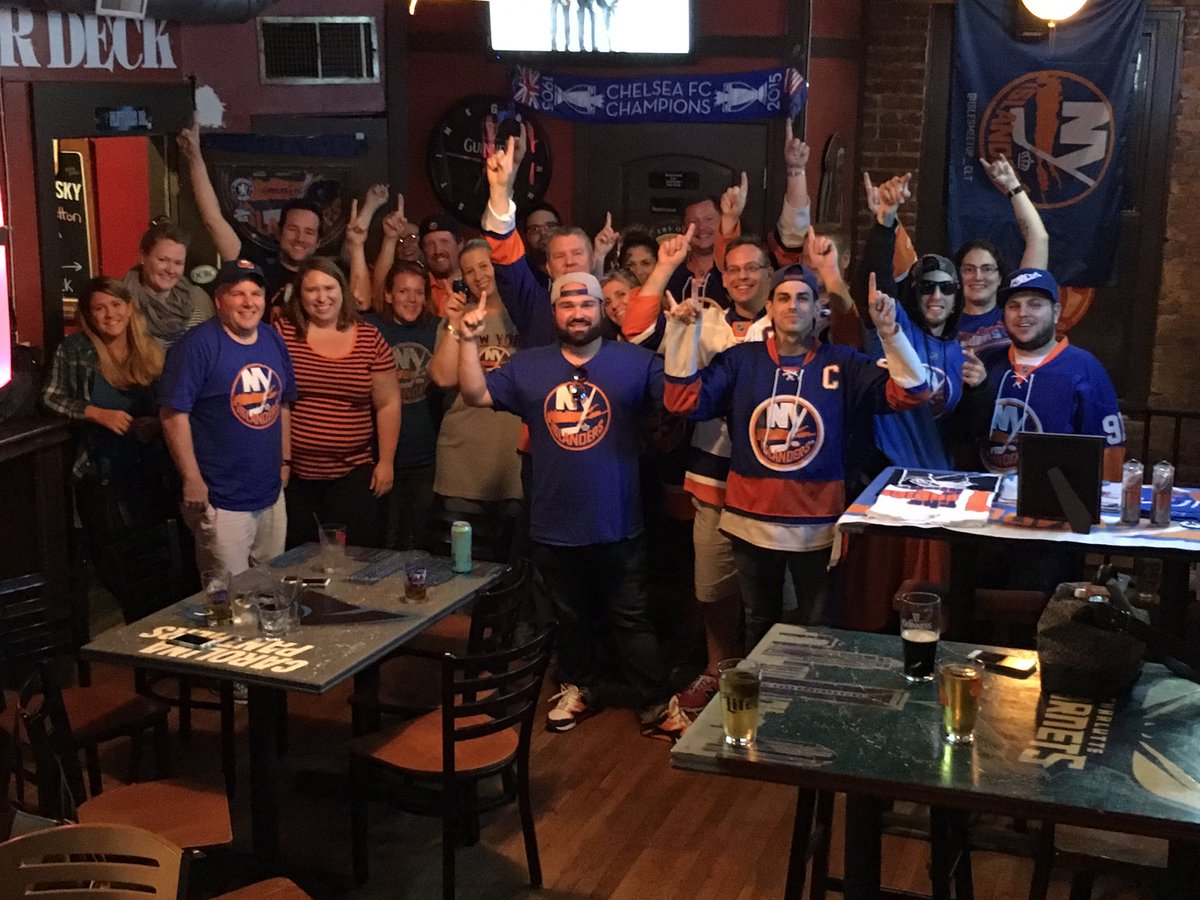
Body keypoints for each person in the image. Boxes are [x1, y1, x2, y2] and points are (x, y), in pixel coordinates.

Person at [663, 267, 931, 651]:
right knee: (760, 623)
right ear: (769, 307)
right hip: (749, 521)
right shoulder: (740, 360)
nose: (793, 306)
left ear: (818, 308)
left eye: (802, 298)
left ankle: (814, 706)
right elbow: (681, 401)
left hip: (819, 526)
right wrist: (680, 335)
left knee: (821, 629)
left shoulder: (842, 362)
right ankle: (765, 707)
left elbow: (913, 393)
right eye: (784, 298)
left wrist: (891, 333)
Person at [457, 271, 671, 734]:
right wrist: (467, 340)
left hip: (620, 522)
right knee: (568, 622)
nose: (578, 312)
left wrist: (688, 334)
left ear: (601, 309)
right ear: (554, 313)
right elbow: (475, 394)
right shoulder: (529, 366)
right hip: (553, 523)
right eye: (567, 305)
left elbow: (681, 400)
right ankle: (579, 687)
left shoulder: (636, 362)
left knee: (631, 620)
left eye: (587, 303)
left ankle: (656, 702)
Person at [158, 260, 296, 576]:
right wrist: (191, 478)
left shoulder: (272, 338)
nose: (249, 302)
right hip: (222, 498)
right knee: (227, 600)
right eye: (238, 294)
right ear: (219, 300)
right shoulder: (195, 346)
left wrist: (285, 462)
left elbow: (282, 404)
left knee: (269, 587)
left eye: (255, 293)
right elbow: (172, 415)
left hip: (270, 493)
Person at [275, 257, 400, 549]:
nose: (321, 297)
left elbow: (388, 403)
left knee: (355, 558)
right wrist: (281, 462)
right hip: (295, 474)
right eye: (311, 290)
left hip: (352, 472)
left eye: (329, 288)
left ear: (342, 290)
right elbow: (275, 402)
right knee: (299, 559)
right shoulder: (283, 334)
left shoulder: (369, 336)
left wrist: (386, 462)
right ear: (299, 294)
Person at [44, 276, 171, 549]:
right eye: (99, 308)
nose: (110, 314)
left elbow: (171, 402)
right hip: (99, 471)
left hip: (151, 468)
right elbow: (51, 397)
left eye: (116, 304)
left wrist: (156, 423)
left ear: (130, 307)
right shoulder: (75, 349)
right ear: (89, 315)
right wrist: (95, 413)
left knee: (156, 552)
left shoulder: (150, 347)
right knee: (115, 555)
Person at [970, 268, 1125, 480]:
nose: (1023, 313)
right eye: (1014, 306)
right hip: (985, 497)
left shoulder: (1086, 369)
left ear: (1056, 312)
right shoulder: (987, 362)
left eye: (1035, 304)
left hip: (1052, 501)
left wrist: (1108, 505)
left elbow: (1110, 450)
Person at [428, 239, 524, 537]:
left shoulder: (525, 314)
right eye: (469, 271)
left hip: (514, 465)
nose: (479, 275)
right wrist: (454, 323)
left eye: (485, 265)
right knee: (461, 565)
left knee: (513, 566)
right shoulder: (458, 317)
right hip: (463, 462)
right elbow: (443, 378)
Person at [178, 121, 324, 313]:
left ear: (318, 241)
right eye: (293, 229)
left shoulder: (326, 278)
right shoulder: (256, 265)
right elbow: (213, 220)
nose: (300, 238)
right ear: (278, 232)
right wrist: (195, 158)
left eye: (309, 232)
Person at [365, 261, 441, 549]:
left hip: (427, 456)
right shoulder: (371, 328)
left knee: (421, 540)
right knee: (384, 539)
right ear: (387, 295)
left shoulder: (437, 329)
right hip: (380, 456)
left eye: (418, 292)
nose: (411, 299)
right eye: (403, 291)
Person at [955, 154, 1050, 363]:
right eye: (969, 269)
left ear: (1000, 277)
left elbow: (1039, 238)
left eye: (987, 268)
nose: (978, 276)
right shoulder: (945, 320)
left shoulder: (1014, 313)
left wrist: (1013, 187)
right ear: (958, 277)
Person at [122, 221, 214, 348]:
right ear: (143, 257)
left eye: (178, 263)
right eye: (163, 260)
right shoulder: (122, 301)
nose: (170, 270)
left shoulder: (198, 297)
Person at [665, 196, 730, 309]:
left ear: (722, 222)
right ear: (684, 229)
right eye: (693, 222)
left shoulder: (732, 271)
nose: (701, 227)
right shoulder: (672, 275)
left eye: (709, 219)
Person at [420, 213, 463, 317]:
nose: (437, 250)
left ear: (460, 244)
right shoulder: (420, 287)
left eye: (444, 242)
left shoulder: (475, 283)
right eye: (430, 244)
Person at [522, 202, 561, 289]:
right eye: (535, 229)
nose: (543, 233)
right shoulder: (521, 276)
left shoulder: (574, 267)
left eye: (550, 226)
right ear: (527, 237)